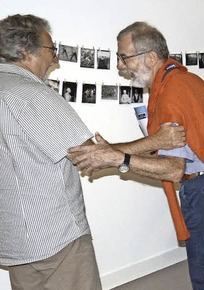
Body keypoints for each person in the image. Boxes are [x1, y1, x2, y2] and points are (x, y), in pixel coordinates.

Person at [67, 22, 204, 290]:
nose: (120, 66)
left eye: (124, 57)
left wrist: (118, 159)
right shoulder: (185, 79)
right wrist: (113, 150)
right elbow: (159, 141)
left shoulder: (169, 93)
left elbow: (172, 169)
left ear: (150, 57)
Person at [0, 14, 102, 290]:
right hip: (55, 236)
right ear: (25, 51)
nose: (55, 58)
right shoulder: (32, 95)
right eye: (50, 49)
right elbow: (90, 154)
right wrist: (152, 145)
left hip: (14, 238)